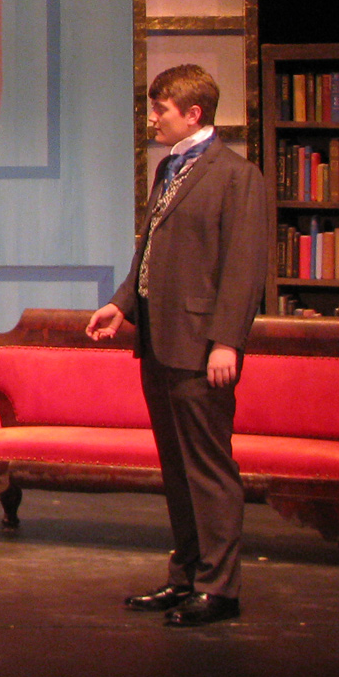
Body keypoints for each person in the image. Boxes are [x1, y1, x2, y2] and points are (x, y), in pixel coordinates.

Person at [86, 64, 267, 627]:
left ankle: (220, 587)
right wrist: (123, 303)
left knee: (208, 469)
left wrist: (225, 342)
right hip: (160, 340)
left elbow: (244, 268)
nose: (153, 117)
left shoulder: (237, 177)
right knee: (176, 468)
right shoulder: (169, 167)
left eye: (161, 108)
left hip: (200, 345)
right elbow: (151, 249)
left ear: (193, 113)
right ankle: (186, 574)